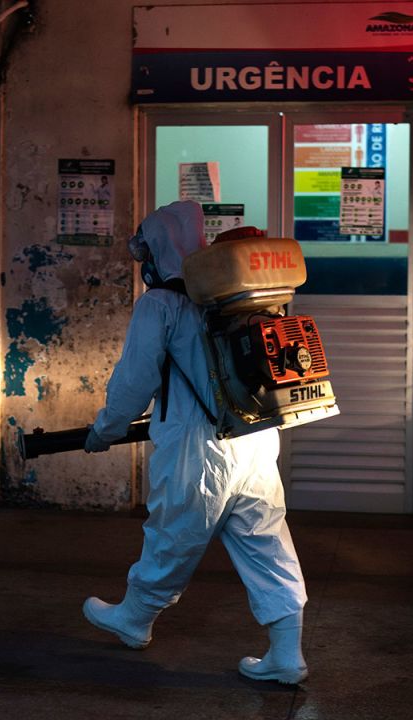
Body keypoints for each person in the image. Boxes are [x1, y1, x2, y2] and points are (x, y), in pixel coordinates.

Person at [81, 200, 309, 684]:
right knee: (266, 542)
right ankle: (287, 654)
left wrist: (105, 430)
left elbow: (133, 383)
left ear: (158, 250)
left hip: (197, 448)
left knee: (172, 536)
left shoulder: (161, 303)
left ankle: (134, 618)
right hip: (255, 439)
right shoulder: (237, 294)